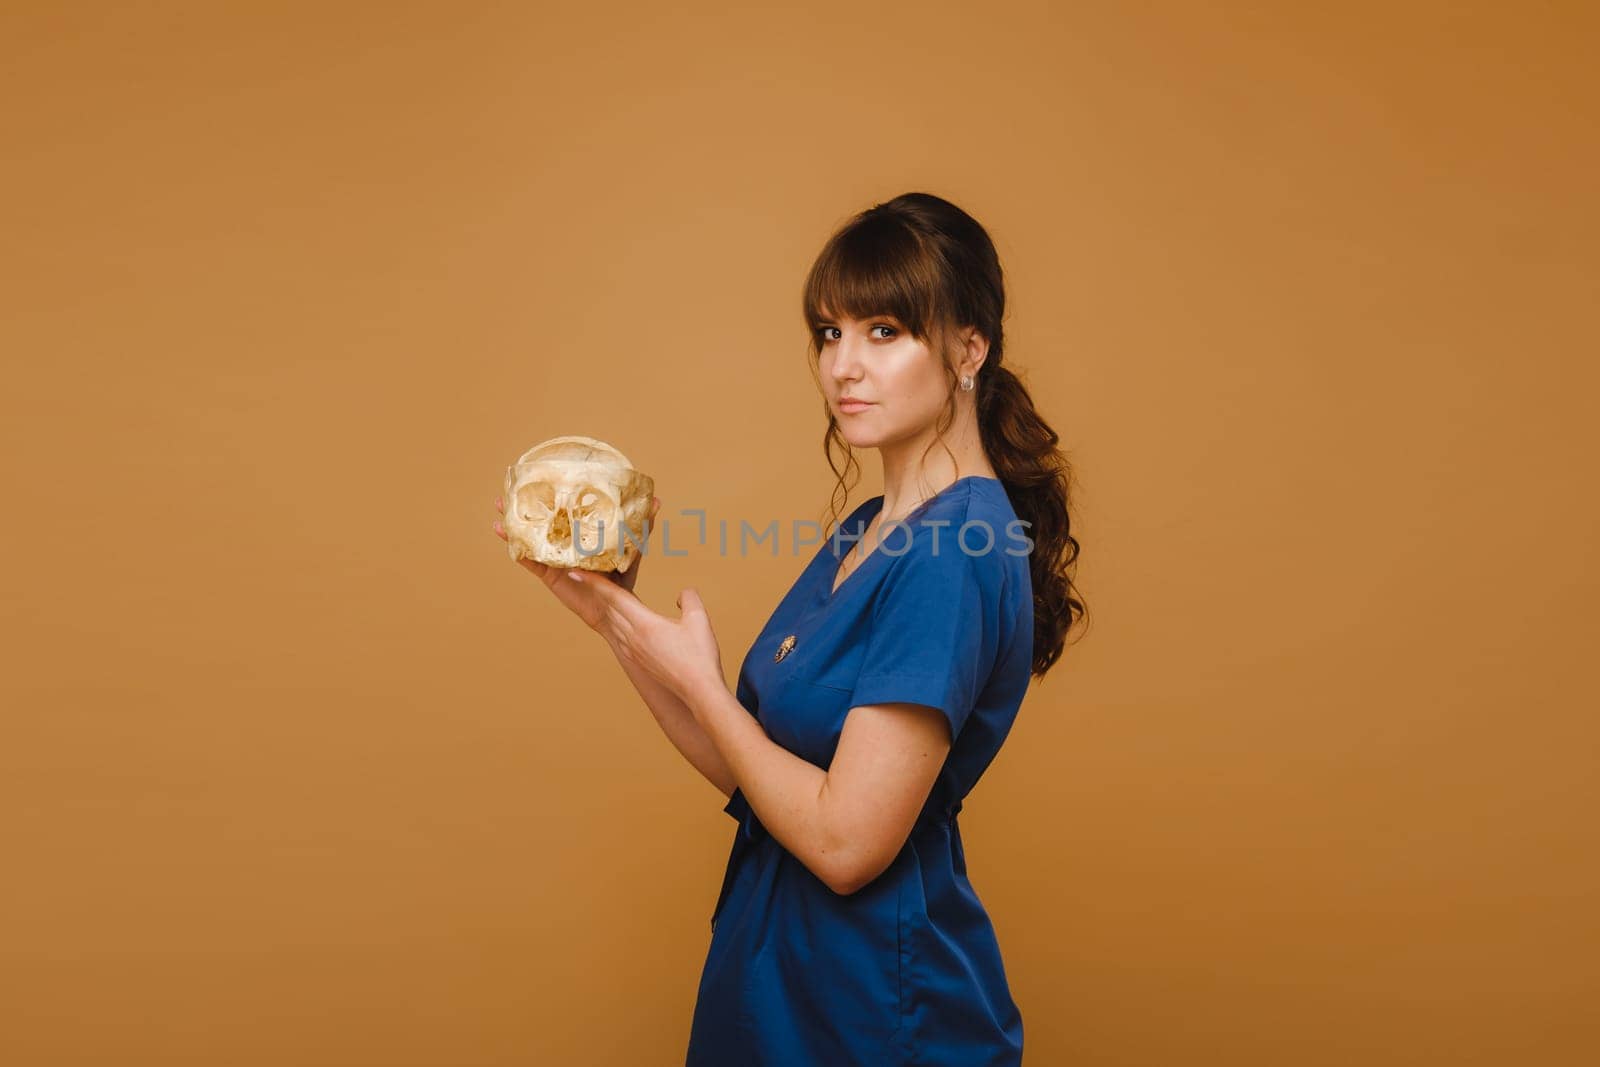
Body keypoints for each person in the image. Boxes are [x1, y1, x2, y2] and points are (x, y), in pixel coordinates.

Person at [492, 191, 1087, 1065]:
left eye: (885, 330)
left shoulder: (953, 551)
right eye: (828, 332)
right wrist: (611, 613)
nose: (844, 365)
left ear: (970, 347)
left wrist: (698, 679)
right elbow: (760, 770)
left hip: (871, 1011)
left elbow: (846, 842)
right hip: (779, 983)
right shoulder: (873, 528)